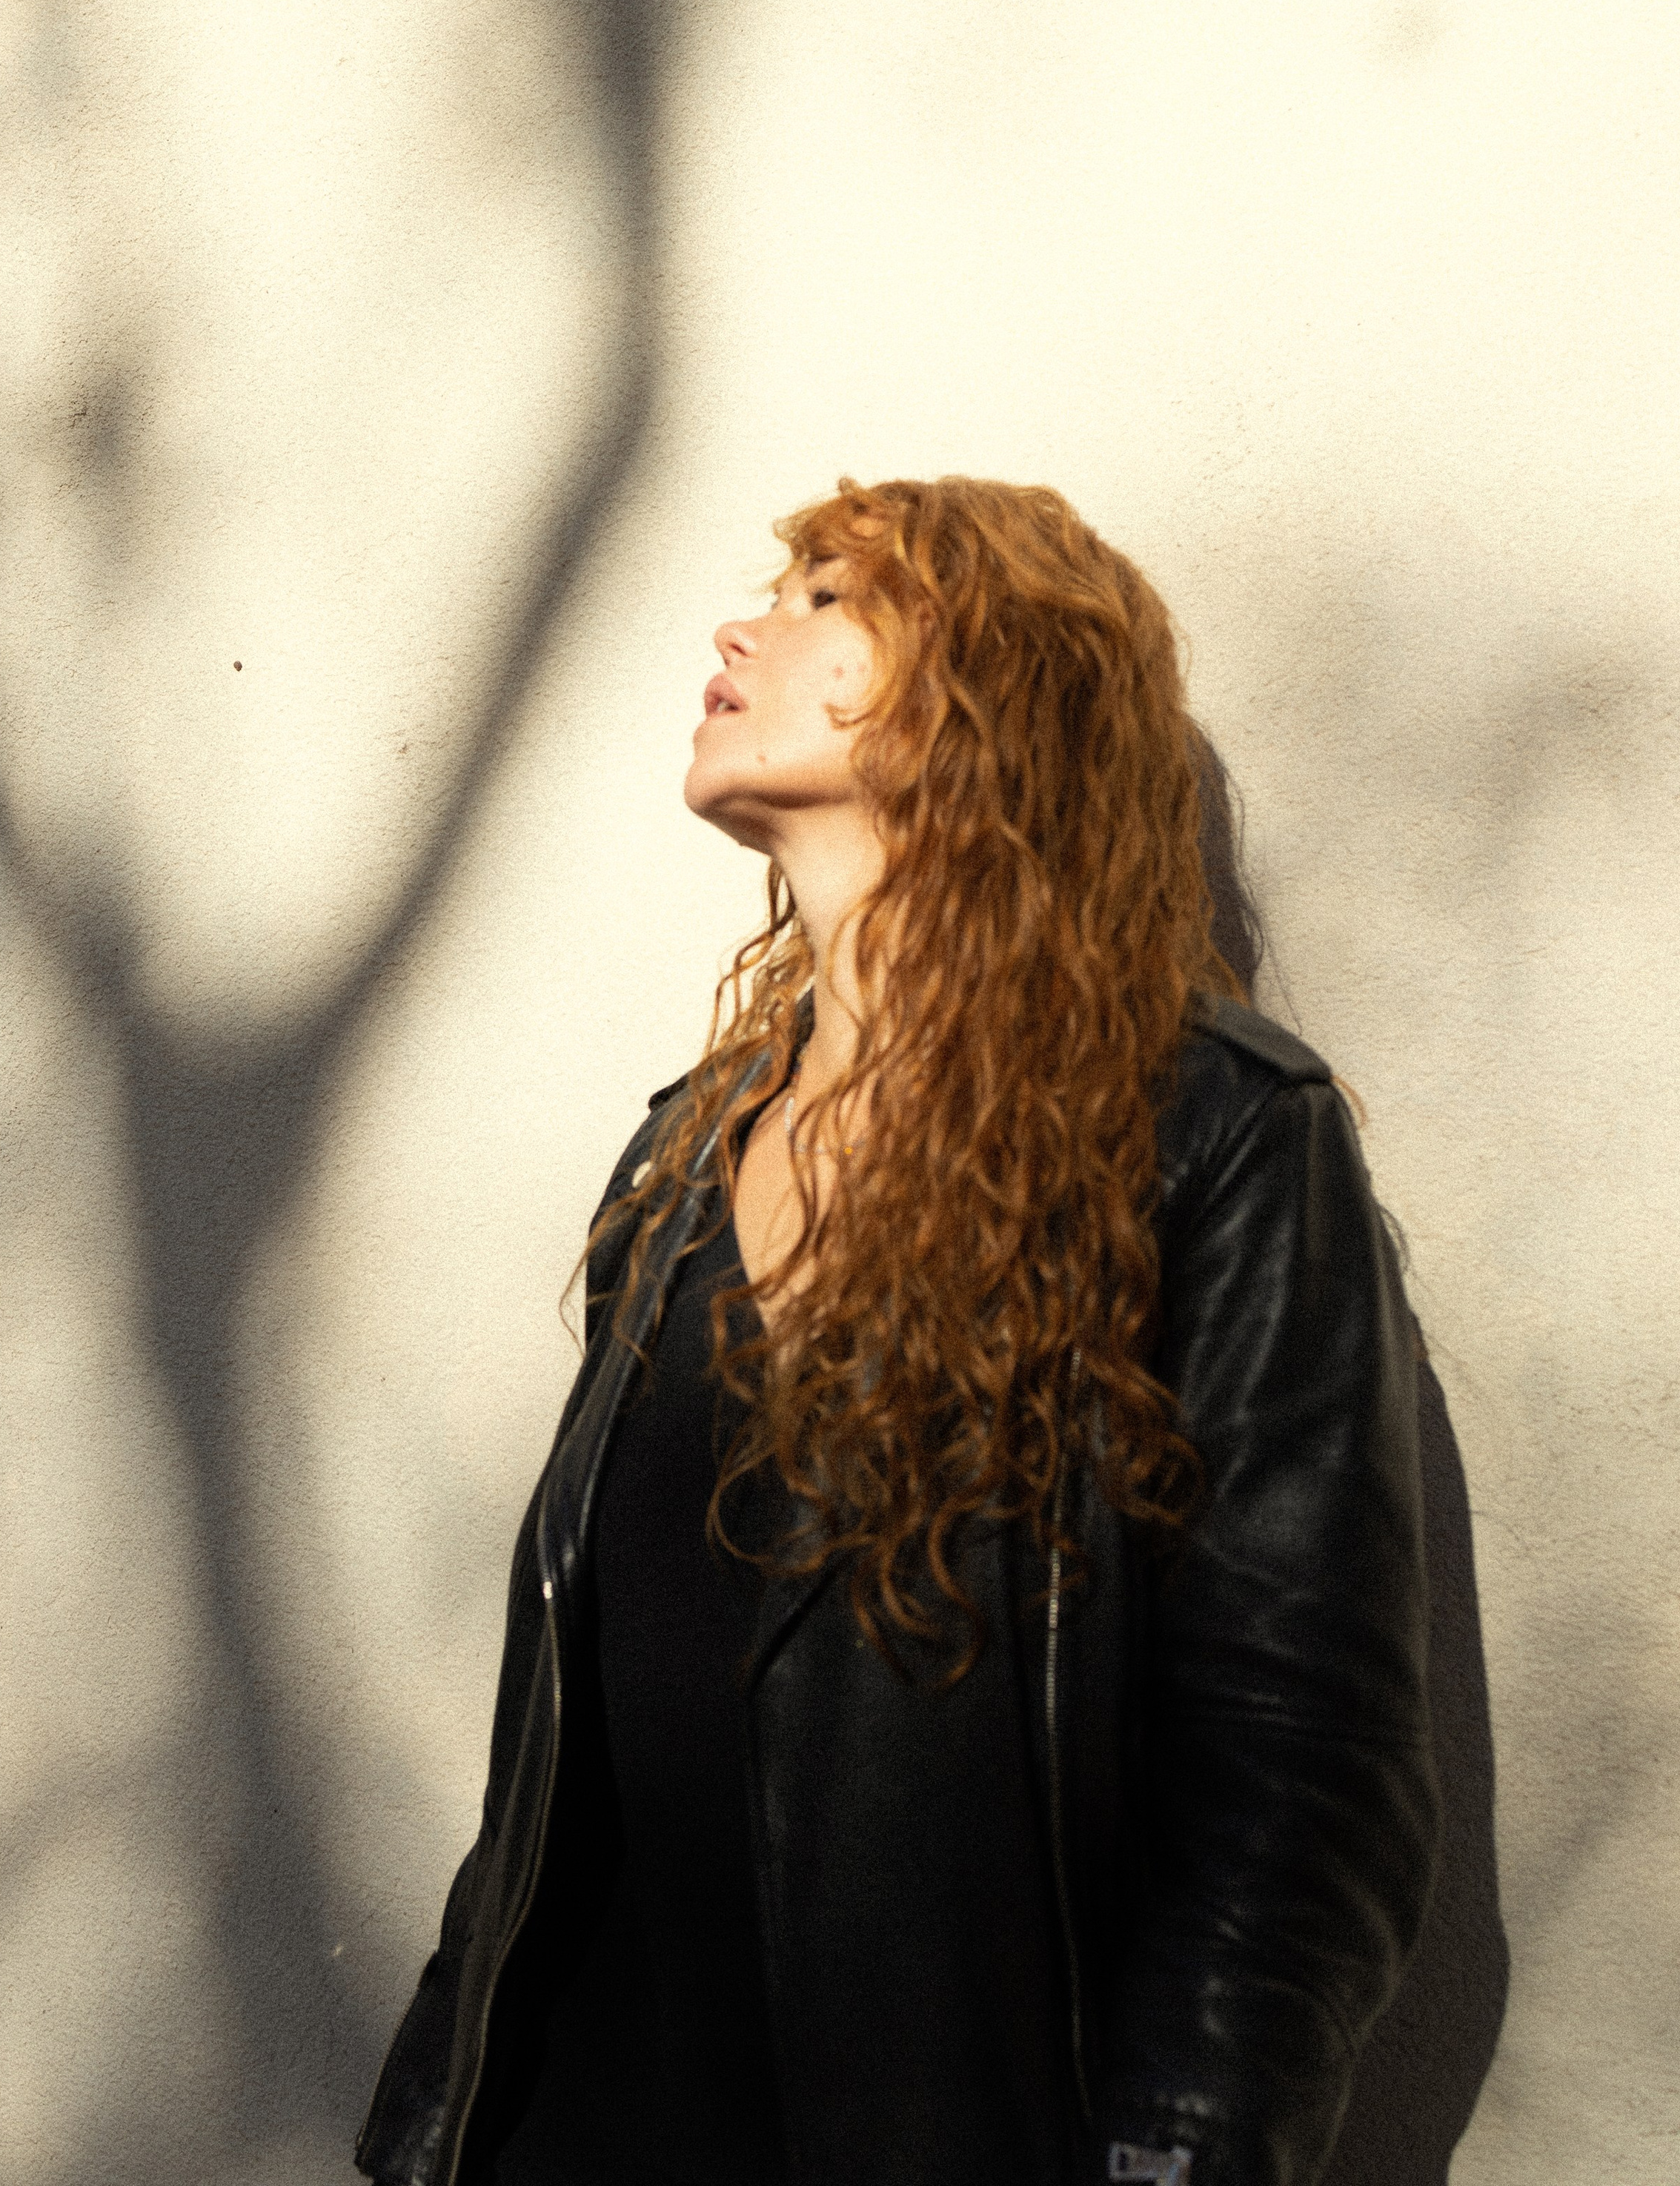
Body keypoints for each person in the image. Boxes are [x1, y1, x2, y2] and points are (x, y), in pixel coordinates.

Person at [356, 475, 1440, 2186]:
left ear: (989, 693)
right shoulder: (680, 1156)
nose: (739, 629)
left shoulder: (1206, 1134)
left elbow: (1301, 1786)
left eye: (822, 597)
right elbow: (558, 1761)